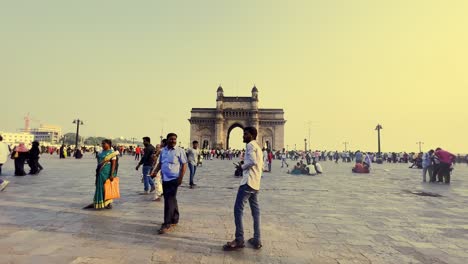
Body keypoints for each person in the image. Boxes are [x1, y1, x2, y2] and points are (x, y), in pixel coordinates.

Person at [224, 127, 263, 251]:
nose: (243, 136)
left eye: (245, 134)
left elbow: (252, 161)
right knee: (256, 213)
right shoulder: (258, 147)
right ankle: (257, 239)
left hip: (247, 183)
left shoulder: (250, 145)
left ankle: (239, 239)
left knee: (238, 210)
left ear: (251, 135)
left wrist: (242, 167)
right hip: (256, 183)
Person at [153, 133, 187, 235]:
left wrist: (181, 178)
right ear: (167, 140)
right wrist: (155, 171)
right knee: (172, 198)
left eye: (174, 139)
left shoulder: (180, 151)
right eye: (171, 139)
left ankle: (167, 223)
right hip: (165, 178)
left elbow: (184, 165)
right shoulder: (163, 151)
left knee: (168, 200)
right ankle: (175, 218)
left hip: (174, 178)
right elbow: (161, 163)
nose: (173, 141)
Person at [83, 139, 119, 210]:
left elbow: (114, 164)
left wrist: (111, 174)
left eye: (104, 144)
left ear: (108, 144)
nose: (102, 145)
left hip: (107, 172)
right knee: (99, 186)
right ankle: (98, 202)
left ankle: (108, 203)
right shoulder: (101, 152)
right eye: (102, 144)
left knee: (106, 187)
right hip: (100, 172)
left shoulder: (112, 153)